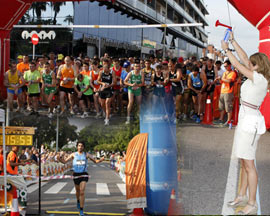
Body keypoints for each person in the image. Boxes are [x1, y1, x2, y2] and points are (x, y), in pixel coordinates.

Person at [222, 33, 270, 215]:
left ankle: (252, 203)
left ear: (260, 65)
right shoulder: (256, 76)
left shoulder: (260, 79)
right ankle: (241, 196)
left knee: (249, 165)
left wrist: (226, 49)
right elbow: (243, 58)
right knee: (244, 162)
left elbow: (238, 64)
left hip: (250, 123)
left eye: (253, 63)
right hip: (246, 120)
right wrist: (234, 41)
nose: (250, 64)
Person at [57, 141, 104, 216]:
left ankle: (81, 210)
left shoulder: (86, 154)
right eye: (79, 146)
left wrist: (101, 160)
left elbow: (95, 161)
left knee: (82, 191)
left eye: (81, 146)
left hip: (84, 174)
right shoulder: (73, 154)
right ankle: (78, 201)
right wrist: (59, 158)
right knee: (78, 191)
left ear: (83, 147)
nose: (80, 147)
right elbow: (64, 161)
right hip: (76, 174)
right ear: (77, 146)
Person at [216, 60, 237, 126]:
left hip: (228, 92)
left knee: (228, 107)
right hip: (222, 91)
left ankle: (228, 121)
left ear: (230, 65)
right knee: (221, 107)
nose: (225, 67)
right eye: (224, 66)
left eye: (226, 66)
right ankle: (221, 119)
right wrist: (219, 79)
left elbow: (229, 81)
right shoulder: (225, 72)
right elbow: (222, 82)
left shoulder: (233, 73)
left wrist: (221, 79)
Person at [97, 59, 116, 125]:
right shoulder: (101, 72)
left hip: (109, 89)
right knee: (102, 104)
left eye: (105, 69)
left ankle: (107, 119)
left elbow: (114, 82)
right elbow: (98, 81)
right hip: (102, 89)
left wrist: (109, 85)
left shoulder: (112, 72)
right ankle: (106, 113)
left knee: (107, 103)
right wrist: (102, 83)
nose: (104, 70)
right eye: (103, 68)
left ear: (108, 68)